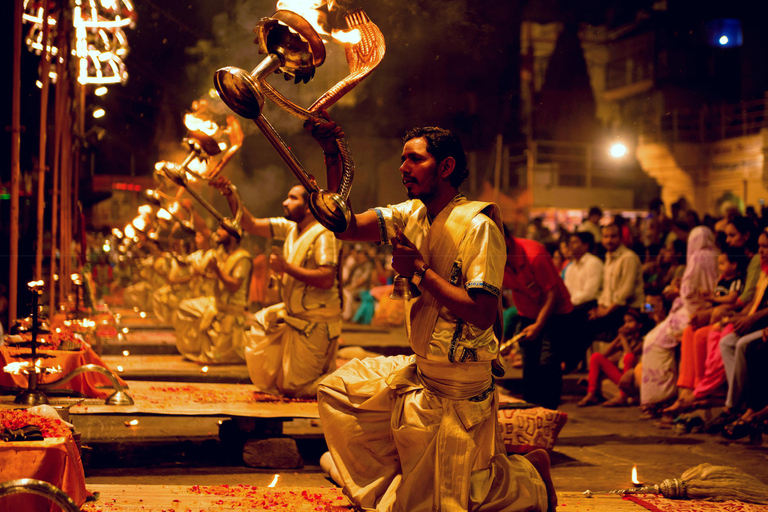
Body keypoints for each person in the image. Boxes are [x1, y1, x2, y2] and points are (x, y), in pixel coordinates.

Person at [308, 114, 556, 512]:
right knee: (337, 392)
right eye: (403, 159)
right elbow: (346, 226)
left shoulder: (479, 227)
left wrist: (420, 271)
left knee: (455, 503)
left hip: (460, 381)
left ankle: (530, 475)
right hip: (423, 371)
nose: (403, 168)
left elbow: (481, 311)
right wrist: (332, 155)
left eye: (415, 159)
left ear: (446, 167)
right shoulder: (410, 215)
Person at [210, 177, 342, 399]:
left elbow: (327, 278)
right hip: (295, 317)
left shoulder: (324, 233)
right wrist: (230, 193)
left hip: (316, 322)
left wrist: (286, 267)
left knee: (295, 388)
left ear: (309, 207)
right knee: (264, 332)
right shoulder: (290, 228)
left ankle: (346, 383)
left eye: (292, 198)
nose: (284, 202)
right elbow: (249, 224)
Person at [639, 226, 718, 414]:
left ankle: (660, 396)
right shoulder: (715, 255)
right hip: (703, 308)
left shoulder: (697, 258)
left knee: (653, 340)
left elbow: (689, 292)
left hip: (694, 310)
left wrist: (677, 291)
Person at [503, 229, 575, 409]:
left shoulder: (534, 254)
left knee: (548, 363)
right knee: (530, 364)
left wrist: (538, 325)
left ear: (505, 238)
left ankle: (549, 415)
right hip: (528, 313)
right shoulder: (493, 256)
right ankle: (531, 413)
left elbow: (552, 294)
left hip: (556, 312)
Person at [173, 226, 252, 363]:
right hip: (216, 303)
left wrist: (216, 270)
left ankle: (211, 350)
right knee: (184, 308)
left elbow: (234, 286)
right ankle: (195, 348)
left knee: (217, 357)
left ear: (233, 236)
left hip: (230, 310)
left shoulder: (242, 258)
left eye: (222, 230)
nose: (218, 232)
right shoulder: (222, 254)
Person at [586, 223, 645, 345]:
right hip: (614, 307)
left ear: (621, 238)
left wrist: (606, 311)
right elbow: (606, 289)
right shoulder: (609, 256)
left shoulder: (628, 257)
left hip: (629, 308)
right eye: (606, 236)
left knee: (587, 325)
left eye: (613, 236)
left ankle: (601, 360)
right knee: (585, 318)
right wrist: (600, 307)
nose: (609, 240)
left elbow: (626, 292)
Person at [578, 308, 643, 407]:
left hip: (633, 380)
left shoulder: (643, 342)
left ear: (639, 325)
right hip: (622, 379)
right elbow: (605, 354)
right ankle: (591, 393)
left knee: (629, 357)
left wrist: (622, 338)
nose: (627, 325)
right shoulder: (626, 340)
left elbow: (630, 354)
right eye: (625, 322)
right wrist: (618, 337)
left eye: (630, 321)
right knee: (596, 356)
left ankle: (623, 397)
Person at [563, 231, 603, 311]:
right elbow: (566, 290)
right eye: (570, 243)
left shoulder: (593, 263)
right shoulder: (571, 266)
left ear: (586, 245)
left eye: (574, 242)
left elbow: (590, 294)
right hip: (573, 305)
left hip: (588, 306)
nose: (570, 246)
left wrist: (569, 303)